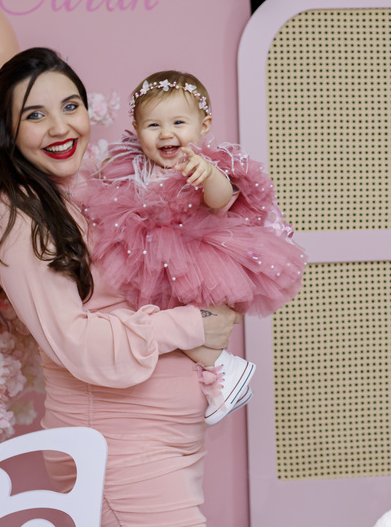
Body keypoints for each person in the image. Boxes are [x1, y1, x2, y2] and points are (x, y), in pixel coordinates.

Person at [0, 48, 236, 527]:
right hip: (119, 442)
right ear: (9, 132)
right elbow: (76, 342)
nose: (60, 127)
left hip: (157, 436)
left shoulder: (92, 189)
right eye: (35, 115)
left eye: (71, 106)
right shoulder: (18, 214)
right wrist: (189, 325)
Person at [82, 70, 305, 424]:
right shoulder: (131, 164)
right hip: (148, 254)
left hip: (193, 251)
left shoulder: (204, 164)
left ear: (204, 125)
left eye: (178, 122)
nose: (166, 133)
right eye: (153, 125)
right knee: (163, 317)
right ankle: (221, 371)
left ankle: (221, 369)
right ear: (137, 130)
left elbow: (220, 200)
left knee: (190, 319)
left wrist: (210, 175)